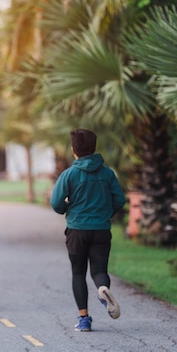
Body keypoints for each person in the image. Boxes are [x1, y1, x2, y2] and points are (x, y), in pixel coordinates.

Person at [50, 128, 126, 332]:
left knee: (78, 273)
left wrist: (68, 209)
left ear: (74, 149)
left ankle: (84, 319)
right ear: (94, 148)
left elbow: (56, 203)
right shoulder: (107, 173)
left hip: (77, 230)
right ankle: (103, 289)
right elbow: (120, 199)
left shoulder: (69, 175)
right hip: (101, 229)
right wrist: (105, 212)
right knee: (99, 270)